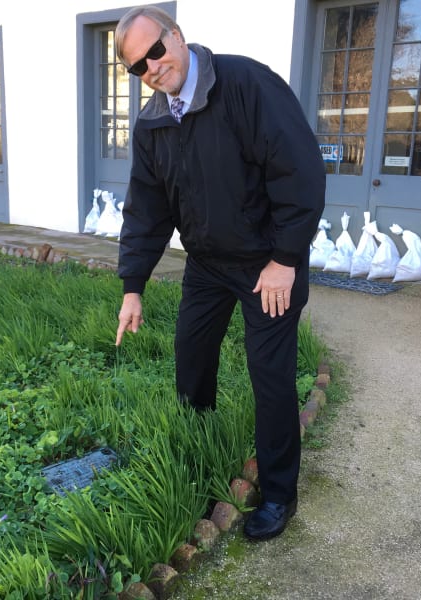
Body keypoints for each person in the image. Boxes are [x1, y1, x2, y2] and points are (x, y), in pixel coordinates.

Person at [113, 5, 326, 541]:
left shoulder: (246, 84)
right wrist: (132, 286)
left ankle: (278, 495)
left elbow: (299, 171)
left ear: (176, 37)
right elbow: (147, 207)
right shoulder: (154, 121)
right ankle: (199, 450)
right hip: (208, 263)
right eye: (138, 68)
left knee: (270, 377)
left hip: (267, 263)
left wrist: (285, 260)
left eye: (155, 52)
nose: (153, 70)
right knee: (192, 357)